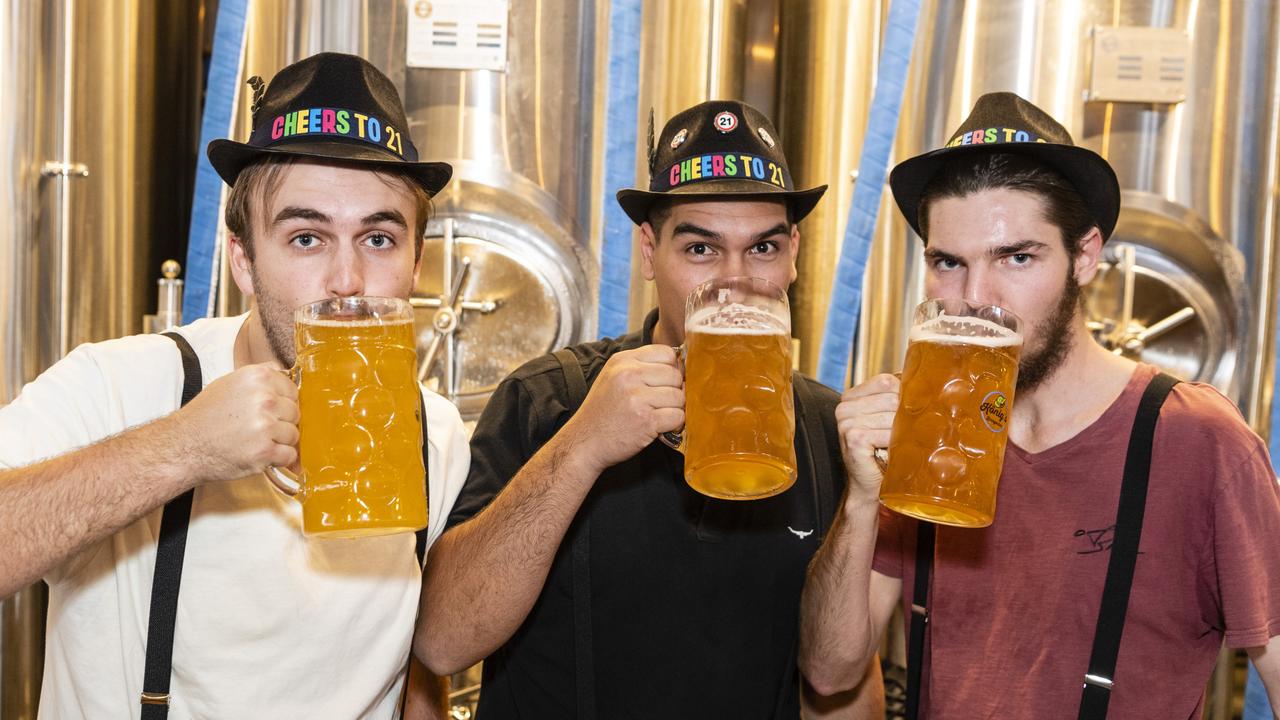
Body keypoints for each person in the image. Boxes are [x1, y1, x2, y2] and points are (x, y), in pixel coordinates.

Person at [0, 52, 469, 718]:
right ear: (243, 260)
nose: (346, 282)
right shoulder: (119, 383)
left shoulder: (437, 436)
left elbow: (417, 670)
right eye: (306, 238)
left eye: (379, 239)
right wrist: (180, 449)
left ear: (418, 262)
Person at [800, 91, 1280, 718]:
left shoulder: (1198, 440)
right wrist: (862, 499)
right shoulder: (926, 428)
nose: (976, 298)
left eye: (1016, 257)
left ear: (1085, 255)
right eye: (949, 263)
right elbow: (828, 673)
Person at [414, 100, 882, 717]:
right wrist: (581, 448)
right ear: (647, 251)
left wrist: (863, 501)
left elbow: (840, 681)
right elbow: (445, 642)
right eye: (701, 251)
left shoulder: (825, 426)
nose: (734, 285)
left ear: (794, 253)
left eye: (763, 249)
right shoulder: (548, 399)